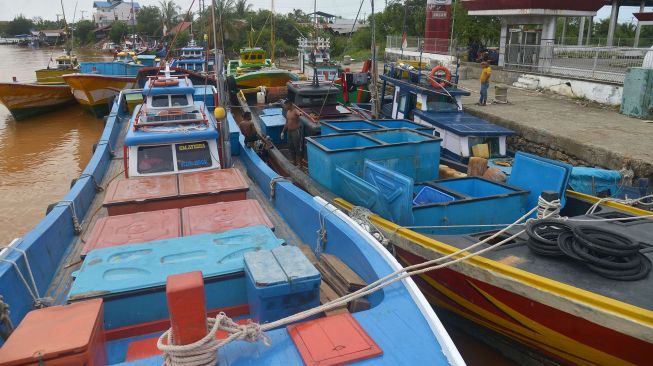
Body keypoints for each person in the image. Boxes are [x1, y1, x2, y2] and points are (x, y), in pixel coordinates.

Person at [281, 100, 302, 166]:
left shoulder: (295, 111)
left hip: (295, 131)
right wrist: (283, 132)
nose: (285, 107)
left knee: (297, 147)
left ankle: (300, 164)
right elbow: (286, 123)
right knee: (291, 147)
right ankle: (294, 162)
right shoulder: (287, 112)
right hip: (289, 132)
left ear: (290, 104)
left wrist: (300, 113)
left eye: (286, 105)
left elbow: (299, 113)